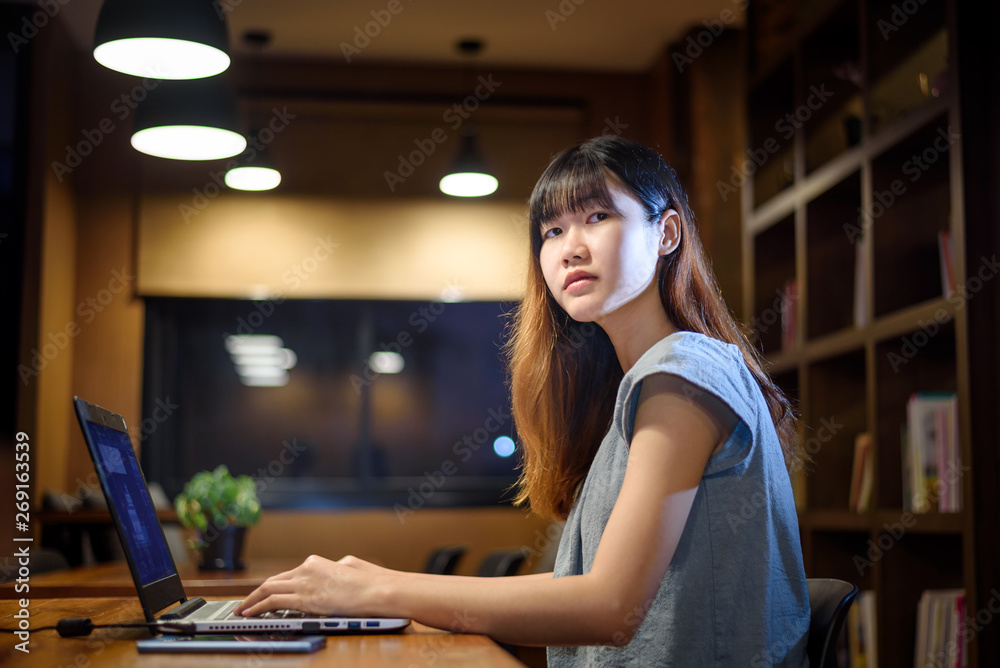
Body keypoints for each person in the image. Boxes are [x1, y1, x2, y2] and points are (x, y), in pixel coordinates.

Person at [234, 135, 811, 666]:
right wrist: (377, 585)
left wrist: (379, 589)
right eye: (551, 231)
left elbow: (610, 607)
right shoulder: (638, 388)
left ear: (667, 234)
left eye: (597, 216)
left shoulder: (684, 370)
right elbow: (577, 586)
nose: (570, 248)